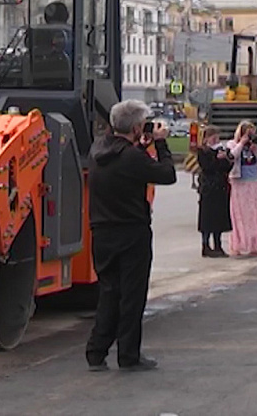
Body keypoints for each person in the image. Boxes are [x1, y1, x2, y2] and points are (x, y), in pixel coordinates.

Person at [85, 100, 177, 372]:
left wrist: (140, 144)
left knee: (109, 292)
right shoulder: (132, 158)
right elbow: (167, 174)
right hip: (131, 232)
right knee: (132, 297)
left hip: (102, 232)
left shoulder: (98, 150)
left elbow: (123, 159)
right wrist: (159, 144)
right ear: (137, 127)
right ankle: (128, 355)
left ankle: (96, 352)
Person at [226, 121, 257, 256]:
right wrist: (241, 143)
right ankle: (238, 244)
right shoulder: (232, 144)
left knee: (254, 215)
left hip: (255, 182)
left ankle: (254, 245)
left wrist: (256, 150)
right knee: (240, 215)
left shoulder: (256, 146)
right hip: (240, 183)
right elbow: (232, 156)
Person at [196, 125, 233, 258]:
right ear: (206, 138)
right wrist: (217, 159)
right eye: (213, 137)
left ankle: (218, 245)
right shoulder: (203, 152)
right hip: (208, 188)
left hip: (221, 187)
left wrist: (226, 158)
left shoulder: (221, 149)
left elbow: (227, 167)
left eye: (217, 137)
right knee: (207, 219)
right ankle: (205, 245)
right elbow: (207, 167)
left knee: (219, 219)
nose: (215, 140)